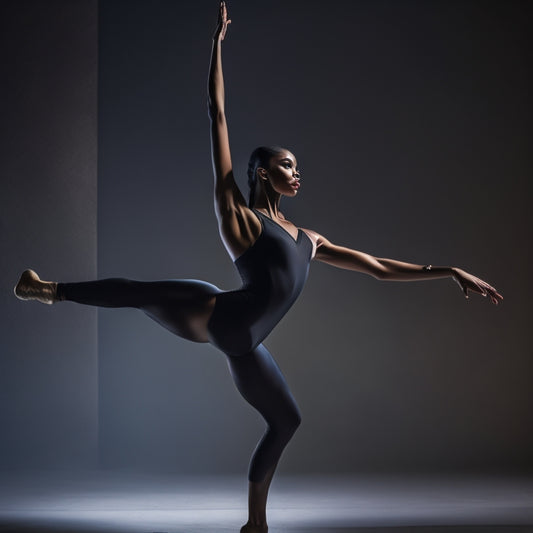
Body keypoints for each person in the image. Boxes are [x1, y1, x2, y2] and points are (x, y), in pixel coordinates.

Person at [14, 2, 503, 532]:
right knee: (137, 291)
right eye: (286, 165)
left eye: (297, 166)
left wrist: (449, 269)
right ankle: (46, 289)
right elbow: (216, 114)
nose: (296, 172)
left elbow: (379, 267)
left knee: (286, 420)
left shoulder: (311, 239)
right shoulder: (240, 219)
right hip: (211, 313)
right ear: (264, 173)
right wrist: (217, 44)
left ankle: (255, 526)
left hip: (246, 344)